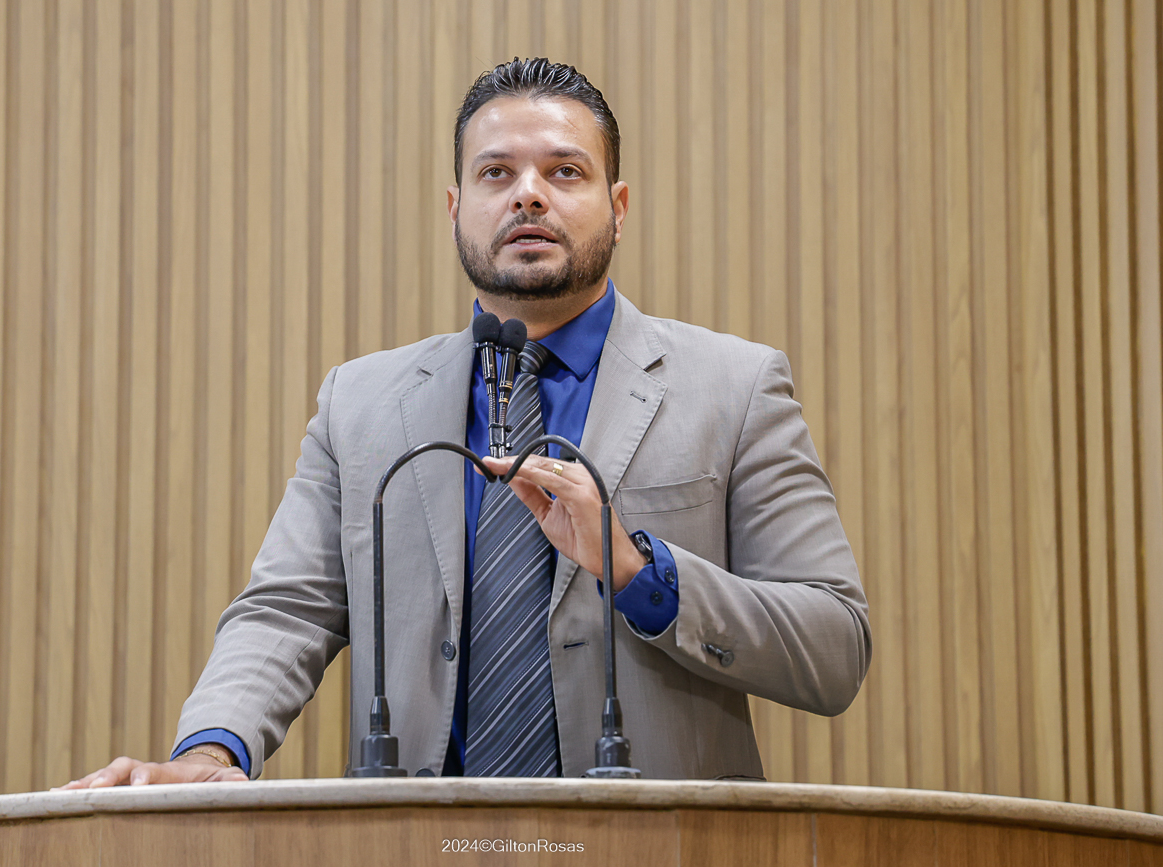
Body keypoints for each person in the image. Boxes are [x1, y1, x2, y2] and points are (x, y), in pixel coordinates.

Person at [59, 57, 870, 789]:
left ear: (618, 208)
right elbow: (286, 609)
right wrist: (212, 750)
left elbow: (834, 645)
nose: (528, 193)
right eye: (495, 172)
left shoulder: (737, 388)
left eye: (565, 171)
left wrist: (636, 570)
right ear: (455, 208)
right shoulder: (360, 402)